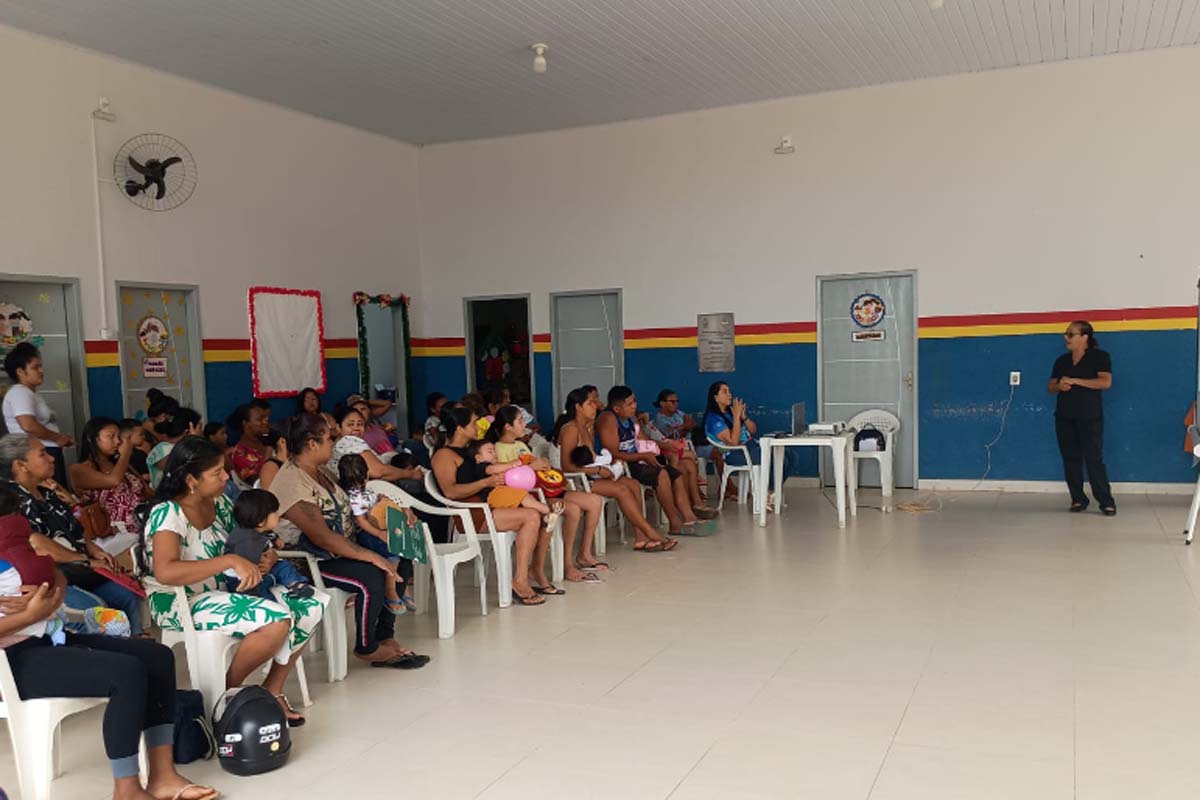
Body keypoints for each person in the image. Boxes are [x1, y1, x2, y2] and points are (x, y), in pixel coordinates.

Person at [0, 489, 220, 800]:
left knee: (156, 656)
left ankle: (163, 776)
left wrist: (49, 591)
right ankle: (126, 790)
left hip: (50, 639)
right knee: (126, 672)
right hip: (10, 663)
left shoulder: (14, 549)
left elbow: (56, 574)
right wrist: (32, 614)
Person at [143, 436, 328, 724]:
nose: (225, 477)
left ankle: (272, 690)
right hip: (180, 599)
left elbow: (249, 538)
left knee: (311, 603)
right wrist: (229, 561)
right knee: (276, 620)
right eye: (216, 473)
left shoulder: (219, 503)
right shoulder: (168, 513)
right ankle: (226, 694)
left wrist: (269, 557)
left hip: (228, 588)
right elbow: (166, 572)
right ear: (191, 479)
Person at [270, 413, 428, 668]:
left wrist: (397, 511)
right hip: (310, 560)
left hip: (341, 548)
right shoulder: (292, 481)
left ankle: (385, 636)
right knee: (373, 575)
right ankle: (367, 647)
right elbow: (321, 536)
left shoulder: (321, 471)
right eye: (328, 439)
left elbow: (358, 496)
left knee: (400, 554)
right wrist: (369, 555)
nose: (334, 443)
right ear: (311, 444)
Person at [0, 433, 145, 634]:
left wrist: (93, 550)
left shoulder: (48, 493)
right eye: (42, 454)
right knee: (96, 610)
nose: (51, 458)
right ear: (20, 465)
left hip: (76, 571)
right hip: (47, 579)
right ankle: (107, 655)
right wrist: (85, 561)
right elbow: (37, 543)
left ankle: (135, 642)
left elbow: (74, 528)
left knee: (126, 595)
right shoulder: (11, 501)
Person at [432, 405, 547, 605]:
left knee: (536, 513)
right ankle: (520, 580)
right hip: (470, 514)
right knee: (531, 516)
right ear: (459, 428)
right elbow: (450, 491)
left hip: (487, 505)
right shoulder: (444, 455)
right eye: (473, 423)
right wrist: (485, 483)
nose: (478, 426)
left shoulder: (470, 450)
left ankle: (527, 574)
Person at [552, 388, 676, 552]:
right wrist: (598, 469)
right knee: (622, 490)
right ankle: (651, 533)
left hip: (590, 475)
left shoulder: (587, 427)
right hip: (574, 481)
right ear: (578, 407)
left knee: (632, 484)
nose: (595, 406)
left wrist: (605, 466)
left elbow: (591, 457)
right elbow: (567, 466)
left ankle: (640, 538)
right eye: (590, 403)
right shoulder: (571, 429)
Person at [489, 405, 606, 578]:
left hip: (547, 488)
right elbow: (509, 479)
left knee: (594, 500)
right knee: (572, 509)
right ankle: (567, 564)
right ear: (508, 427)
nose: (524, 425)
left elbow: (535, 465)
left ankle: (584, 553)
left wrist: (543, 463)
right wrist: (531, 466)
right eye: (520, 421)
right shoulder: (497, 449)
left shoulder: (521, 444)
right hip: (534, 495)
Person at [599, 386, 711, 538]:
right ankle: (675, 523)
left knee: (675, 474)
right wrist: (642, 456)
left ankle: (689, 517)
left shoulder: (630, 420)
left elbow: (645, 440)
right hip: (625, 465)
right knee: (662, 474)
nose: (635, 406)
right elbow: (613, 454)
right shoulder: (608, 419)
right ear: (617, 408)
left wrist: (665, 446)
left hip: (639, 459)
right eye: (630, 404)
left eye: (635, 402)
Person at [1048, 320, 1116, 515]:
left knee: (1094, 458)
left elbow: (1105, 382)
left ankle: (1106, 501)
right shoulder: (1061, 360)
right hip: (1064, 417)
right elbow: (1051, 387)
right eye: (1066, 334)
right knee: (1070, 458)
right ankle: (1078, 499)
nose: (1066, 338)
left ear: (1085, 337)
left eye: (1071, 334)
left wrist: (1076, 381)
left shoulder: (1100, 357)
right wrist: (1059, 386)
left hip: (1090, 417)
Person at [704, 381, 803, 512]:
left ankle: (770, 491)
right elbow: (733, 442)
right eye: (725, 392)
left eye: (729, 391)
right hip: (735, 453)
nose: (730, 394)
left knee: (791, 455)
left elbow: (753, 430)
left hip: (750, 446)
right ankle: (767, 495)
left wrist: (743, 418)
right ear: (715, 397)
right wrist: (736, 418)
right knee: (774, 456)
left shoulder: (731, 412)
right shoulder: (714, 419)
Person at [337, 453, 415, 614]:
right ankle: (391, 590)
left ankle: (403, 587)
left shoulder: (366, 492)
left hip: (379, 528)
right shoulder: (355, 497)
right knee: (391, 552)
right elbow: (362, 522)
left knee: (405, 551)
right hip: (367, 534)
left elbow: (375, 505)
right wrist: (379, 533)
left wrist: (381, 499)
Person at [2, 342, 73, 485]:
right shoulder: (19, 392)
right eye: (35, 367)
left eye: (41, 366)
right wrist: (58, 438)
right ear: (20, 371)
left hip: (47, 451)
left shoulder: (30, 393)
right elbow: (29, 426)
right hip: (39, 455)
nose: (41, 370)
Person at [222, 489, 312, 598]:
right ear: (261, 520)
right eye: (275, 513)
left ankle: (295, 585)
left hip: (262, 568)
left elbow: (268, 532)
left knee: (283, 566)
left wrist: (276, 539)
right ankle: (266, 602)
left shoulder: (254, 526)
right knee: (263, 593)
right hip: (243, 581)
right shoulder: (247, 543)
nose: (279, 516)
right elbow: (247, 572)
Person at [69, 417, 150, 539]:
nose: (117, 442)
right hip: (112, 535)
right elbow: (113, 481)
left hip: (142, 526)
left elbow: (147, 492)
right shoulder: (79, 469)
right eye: (110, 436)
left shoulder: (121, 465)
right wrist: (125, 454)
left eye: (118, 437)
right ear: (92, 439)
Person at [654, 388, 728, 501]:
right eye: (672, 401)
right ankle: (697, 492)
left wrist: (683, 427)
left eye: (677, 401)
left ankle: (725, 487)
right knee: (692, 460)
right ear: (662, 403)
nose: (676, 404)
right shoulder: (660, 421)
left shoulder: (678, 413)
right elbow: (677, 435)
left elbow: (691, 423)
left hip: (694, 444)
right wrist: (685, 427)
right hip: (678, 449)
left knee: (718, 453)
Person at [147, 408, 201, 490]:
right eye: (199, 428)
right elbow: (180, 470)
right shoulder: (163, 450)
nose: (201, 431)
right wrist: (192, 442)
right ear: (188, 432)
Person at [227, 399, 273, 486]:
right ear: (246, 424)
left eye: (265, 418)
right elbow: (258, 484)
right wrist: (269, 451)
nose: (265, 422)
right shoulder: (240, 453)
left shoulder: (264, 442)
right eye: (259, 420)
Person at [120, 417, 153, 484]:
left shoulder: (141, 454)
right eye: (140, 434)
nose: (144, 437)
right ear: (128, 436)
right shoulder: (116, 457)